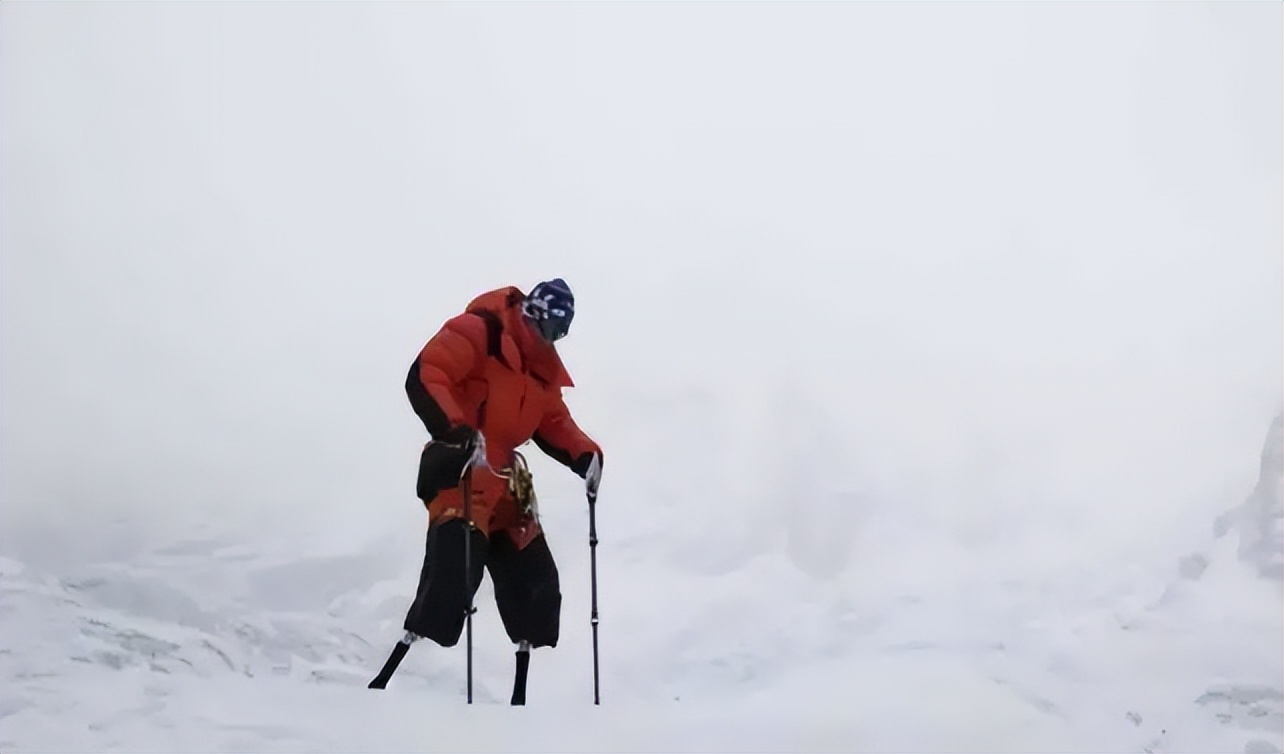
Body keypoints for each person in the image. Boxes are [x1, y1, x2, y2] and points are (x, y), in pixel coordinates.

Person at [396, 278, 602, 672]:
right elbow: (429, 371)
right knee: (454, 574)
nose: (552, 339)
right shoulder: (479, 332)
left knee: (536, 582)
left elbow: (555, 422)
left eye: (561, 332)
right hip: (460, 465)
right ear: (532, 314)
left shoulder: (541, 373)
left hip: (506, 478)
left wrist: (587, 455)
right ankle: (399, 668)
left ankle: (522, 681)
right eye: (550, 327)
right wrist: (455, 430)